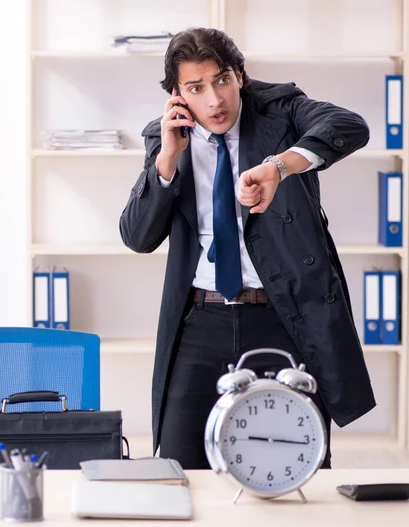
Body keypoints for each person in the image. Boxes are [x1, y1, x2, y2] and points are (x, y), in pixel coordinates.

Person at [119, 27, 376, 469]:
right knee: (181, 467)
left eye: (221, 80)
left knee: (294, 466)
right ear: (177, 96)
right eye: (196, 88)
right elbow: (138, 237)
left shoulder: (283, 111)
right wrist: (166, 161)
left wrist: (280, 166)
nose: (214, 100)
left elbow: (351, 126)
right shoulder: (165, 140)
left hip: (282, 317)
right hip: (199, 319)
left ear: (240, 76)